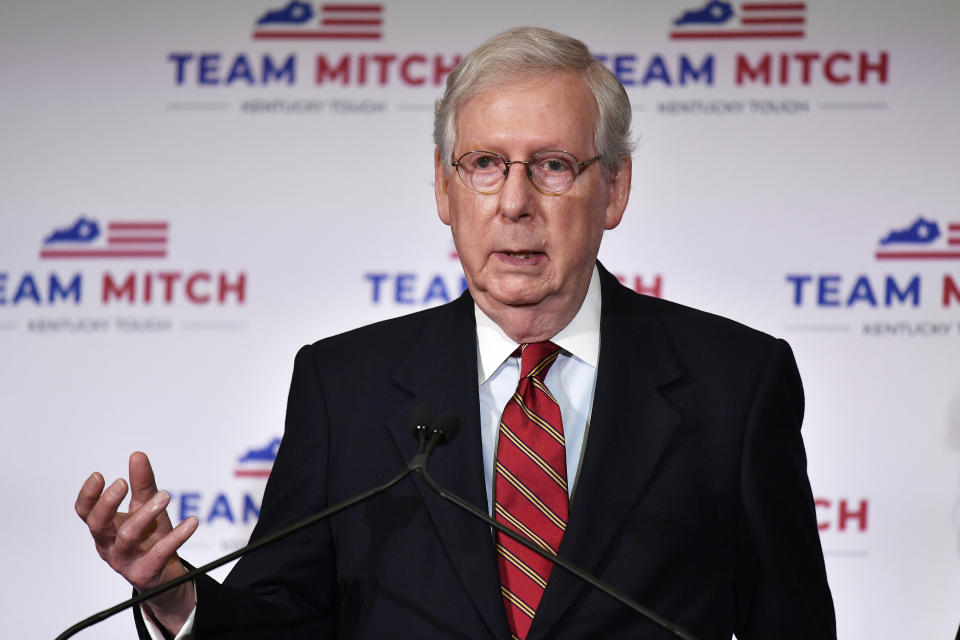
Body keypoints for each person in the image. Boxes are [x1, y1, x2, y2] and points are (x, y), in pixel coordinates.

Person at [75, 26, 836, 639]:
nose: (514, 202)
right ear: (443, 187)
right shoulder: (344, 386)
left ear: (615, 189)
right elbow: (282, 623)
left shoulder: (736, 384)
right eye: (483, 164)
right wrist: (178, 599)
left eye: (554, 165)